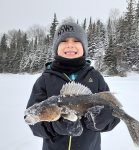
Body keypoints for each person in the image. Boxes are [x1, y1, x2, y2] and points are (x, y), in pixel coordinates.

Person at [26, 18, 120, 150]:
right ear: (56, 48)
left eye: (76, 41)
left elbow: (114, 114)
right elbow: (33, 121)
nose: (70, 45)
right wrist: (54, 126)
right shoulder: (44, 80)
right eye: (63, 41)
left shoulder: (96, 77)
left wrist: (104, 120)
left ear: (84, 47)